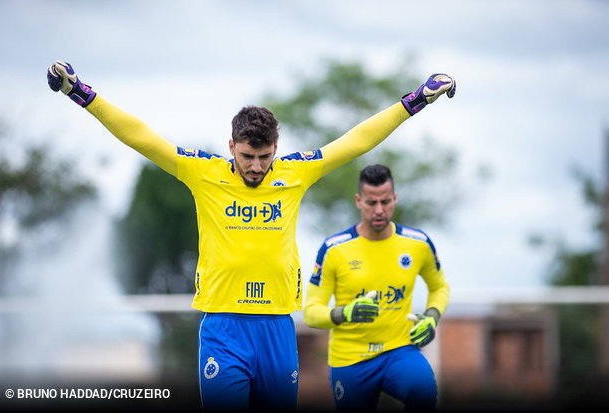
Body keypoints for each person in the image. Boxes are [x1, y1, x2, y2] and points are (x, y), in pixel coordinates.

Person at [46, 61, 455, 411]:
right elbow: (142, 136)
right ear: (231, 147)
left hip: (277, 327)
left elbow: (355, 141)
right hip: (224, 329)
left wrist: (415, 100)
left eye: (265, 156)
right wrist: (80, 92)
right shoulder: (203, 172)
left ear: (276, 148)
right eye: (247, 157)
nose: (257, 167)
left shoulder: (294, 172)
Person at [304, 164, 450, 411]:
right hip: (349, 359)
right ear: (358, 201)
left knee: (423, 391)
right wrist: (345, 313)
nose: (379, 210)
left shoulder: (418, 243)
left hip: (399, 350)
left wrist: (432, 317)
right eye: (372, 203)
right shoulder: (333, 249)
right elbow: (310, 312)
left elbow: (440, 288)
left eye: (385, 201)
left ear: (395, 199)